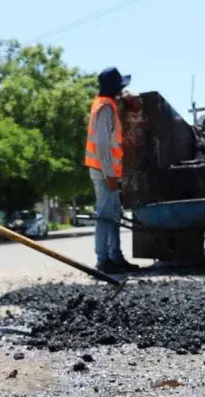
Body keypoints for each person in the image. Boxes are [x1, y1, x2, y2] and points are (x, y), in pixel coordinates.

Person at [84, 67, 140, 274]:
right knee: (105, 216)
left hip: (108, 171)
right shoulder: (105, 108)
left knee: (113, 215)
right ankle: (103, 259)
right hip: (104, 171)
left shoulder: (106, 105)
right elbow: (102, 144)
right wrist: (109, 174)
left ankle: (116, 257)